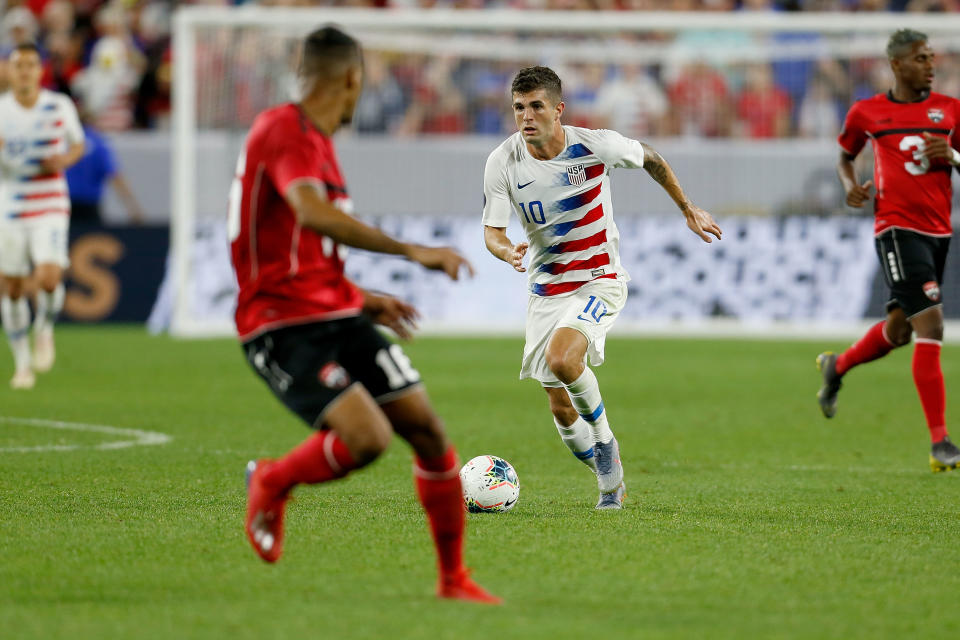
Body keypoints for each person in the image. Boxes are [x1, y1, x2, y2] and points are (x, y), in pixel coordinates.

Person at [229, 26, 498, 604]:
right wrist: (410, 250)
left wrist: (366, 298)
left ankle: (454, 580)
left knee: (427, 430)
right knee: (368, 438)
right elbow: (311, 213)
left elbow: (305, 248)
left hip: (334, 308)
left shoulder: (318, 143)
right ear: (352, 78)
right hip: (280, 324)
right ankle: (272, 480)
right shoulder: (282, 129)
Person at [481, 66, 721, 510]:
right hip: (546, 290)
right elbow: (493, 231)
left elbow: (650, 157)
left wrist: (687, 207)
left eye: (536, 106)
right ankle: (605, 473)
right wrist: (506, 252)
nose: (527, 116)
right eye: (519, 107)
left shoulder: (594, 145)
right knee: (559, 407)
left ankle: (607, 446)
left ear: (558, 109)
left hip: (599, 281)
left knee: (563, 357)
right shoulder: (503, 161)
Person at [817, 29, 960, 472]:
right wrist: (850, 188)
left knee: (899, 331)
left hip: (939, 232)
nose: (931, 65)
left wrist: (953, 156)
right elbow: (844, 156)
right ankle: (941, 444)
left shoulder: (951, 111)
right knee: (931, 324)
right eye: (921, 58)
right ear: (897, 65)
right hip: (895, 229)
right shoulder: (867, 112)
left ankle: (836, 366)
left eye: (932, 57)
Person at [0, 42, 84, 389]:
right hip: (11, 204)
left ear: (40, 70)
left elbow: (77, 144)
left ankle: (44, 328)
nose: (24, 71)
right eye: (18, 65)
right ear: (9, 70)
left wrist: (63, 161)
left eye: (31, 65)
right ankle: (22, 364)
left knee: (49, 277)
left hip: (49, 201)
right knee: (12, 287)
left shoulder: (59, 105)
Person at [66, 116, 145, 225]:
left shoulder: (65, 142)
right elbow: (115, 177)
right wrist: (133, 209)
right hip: (90, 207)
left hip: (66, 205)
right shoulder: (99, 143)